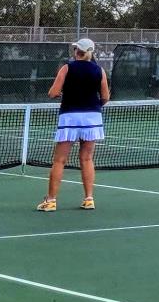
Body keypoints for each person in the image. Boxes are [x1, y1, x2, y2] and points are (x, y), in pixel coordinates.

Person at [38, 39, 110, 212]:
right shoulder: (99, 70)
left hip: (69, 117)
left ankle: (51, 201)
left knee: (59, 160)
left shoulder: (67, 68)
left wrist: (65, 93)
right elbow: (105, 97)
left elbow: (53, 92)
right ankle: (89, 199)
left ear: (77, 51)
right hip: (92, 118)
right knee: (87, 158)